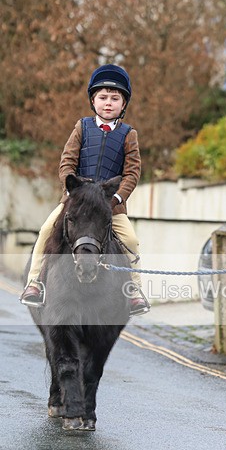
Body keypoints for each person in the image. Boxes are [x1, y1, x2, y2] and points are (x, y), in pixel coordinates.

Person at [20, 64, 150, 316]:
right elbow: (67, 162)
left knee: (131, 240)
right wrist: (73, 191)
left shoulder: (129, 134)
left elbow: (132, 173)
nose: (108, 103)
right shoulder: (82, 127)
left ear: (124, 104)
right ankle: (34, 283)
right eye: (103, 97)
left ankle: (134, 291)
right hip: (77, 201)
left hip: (110, 205)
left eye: (115, 98)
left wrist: (116, 198)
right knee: (46, 230)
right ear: (93, 100)